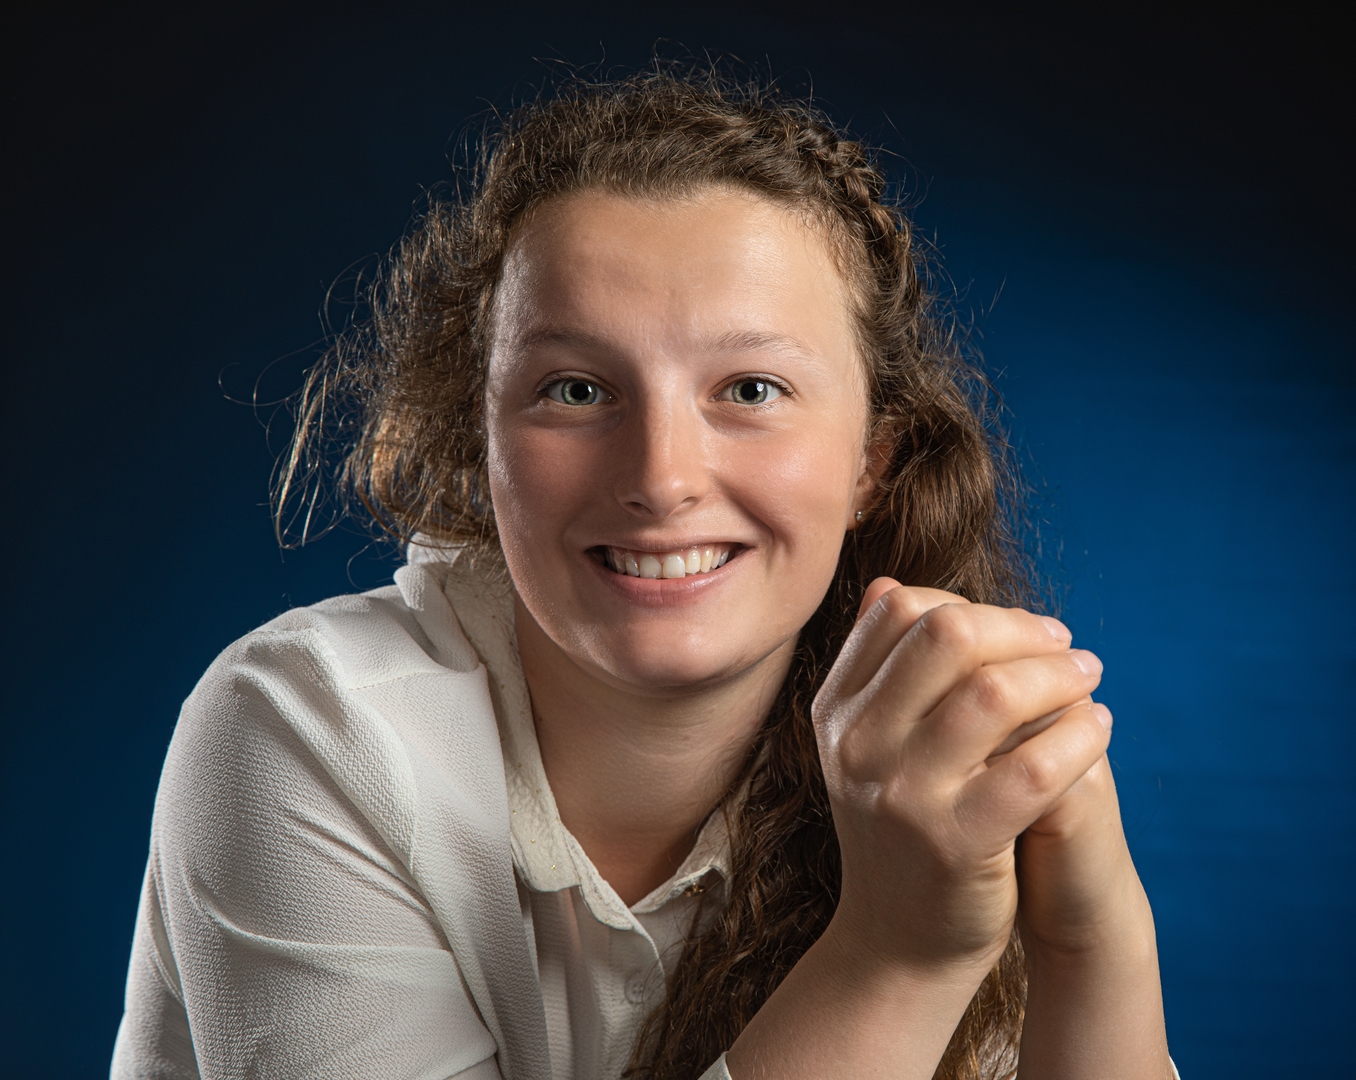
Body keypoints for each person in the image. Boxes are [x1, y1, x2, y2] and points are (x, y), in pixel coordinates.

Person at [112, 70, 1176, 1080]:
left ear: (873, 461)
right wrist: (899, 953)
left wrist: (1095, 937)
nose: (662, 480)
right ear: (478, 443)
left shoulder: (949, 747)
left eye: (750, 389)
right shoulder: (306, 727)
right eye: (577, 390)